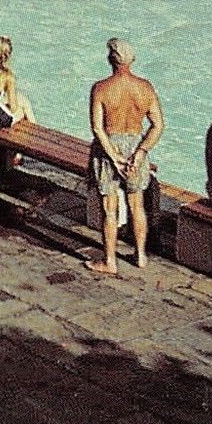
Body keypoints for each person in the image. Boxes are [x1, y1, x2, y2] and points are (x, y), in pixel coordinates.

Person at [88, 38, 164, 275]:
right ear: (132, 60)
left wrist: (112, 156)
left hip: (108, 146)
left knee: (109, 208)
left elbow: (98, 128)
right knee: (136, 204)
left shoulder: (101, 88)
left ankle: (110, 261)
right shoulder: (145, 88)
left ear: (111, 59)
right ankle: (140, 255)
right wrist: (140, 153)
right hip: (135, 144)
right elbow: (158, 125)